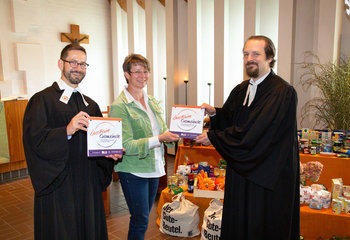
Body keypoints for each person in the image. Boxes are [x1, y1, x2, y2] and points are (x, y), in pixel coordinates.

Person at [196, 35, 300, 240]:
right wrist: (215, 114)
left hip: (267, 177)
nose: (249, 58)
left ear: (270, 58)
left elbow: (257, 132)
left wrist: (214, 137)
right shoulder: (242, 88)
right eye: (246, 54)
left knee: (262, 227)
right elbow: (233, 118)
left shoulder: (282, 92)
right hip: (243, 171)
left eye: (256, 54)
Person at [23, 43, 121, 240]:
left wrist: (108, 153)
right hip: (59, 185)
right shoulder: (42, 100)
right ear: (61, 64)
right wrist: (66, 131)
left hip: (88, 184)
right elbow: (35, 142)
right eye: (73, 62)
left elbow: (96, 143)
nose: (79, 68)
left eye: (83, 64)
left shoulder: (90, 104)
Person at [109, 53, 179, 240]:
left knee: (144, 218)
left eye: (145, 71)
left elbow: (162, 131)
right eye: (137, 71)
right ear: (127, 74)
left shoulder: (152, 101)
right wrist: (159, 138)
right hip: (133, 170)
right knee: (140, 220)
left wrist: (175, 135)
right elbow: (125, 145)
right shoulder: (119, 106)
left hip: (154, 167)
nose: (143, 76)